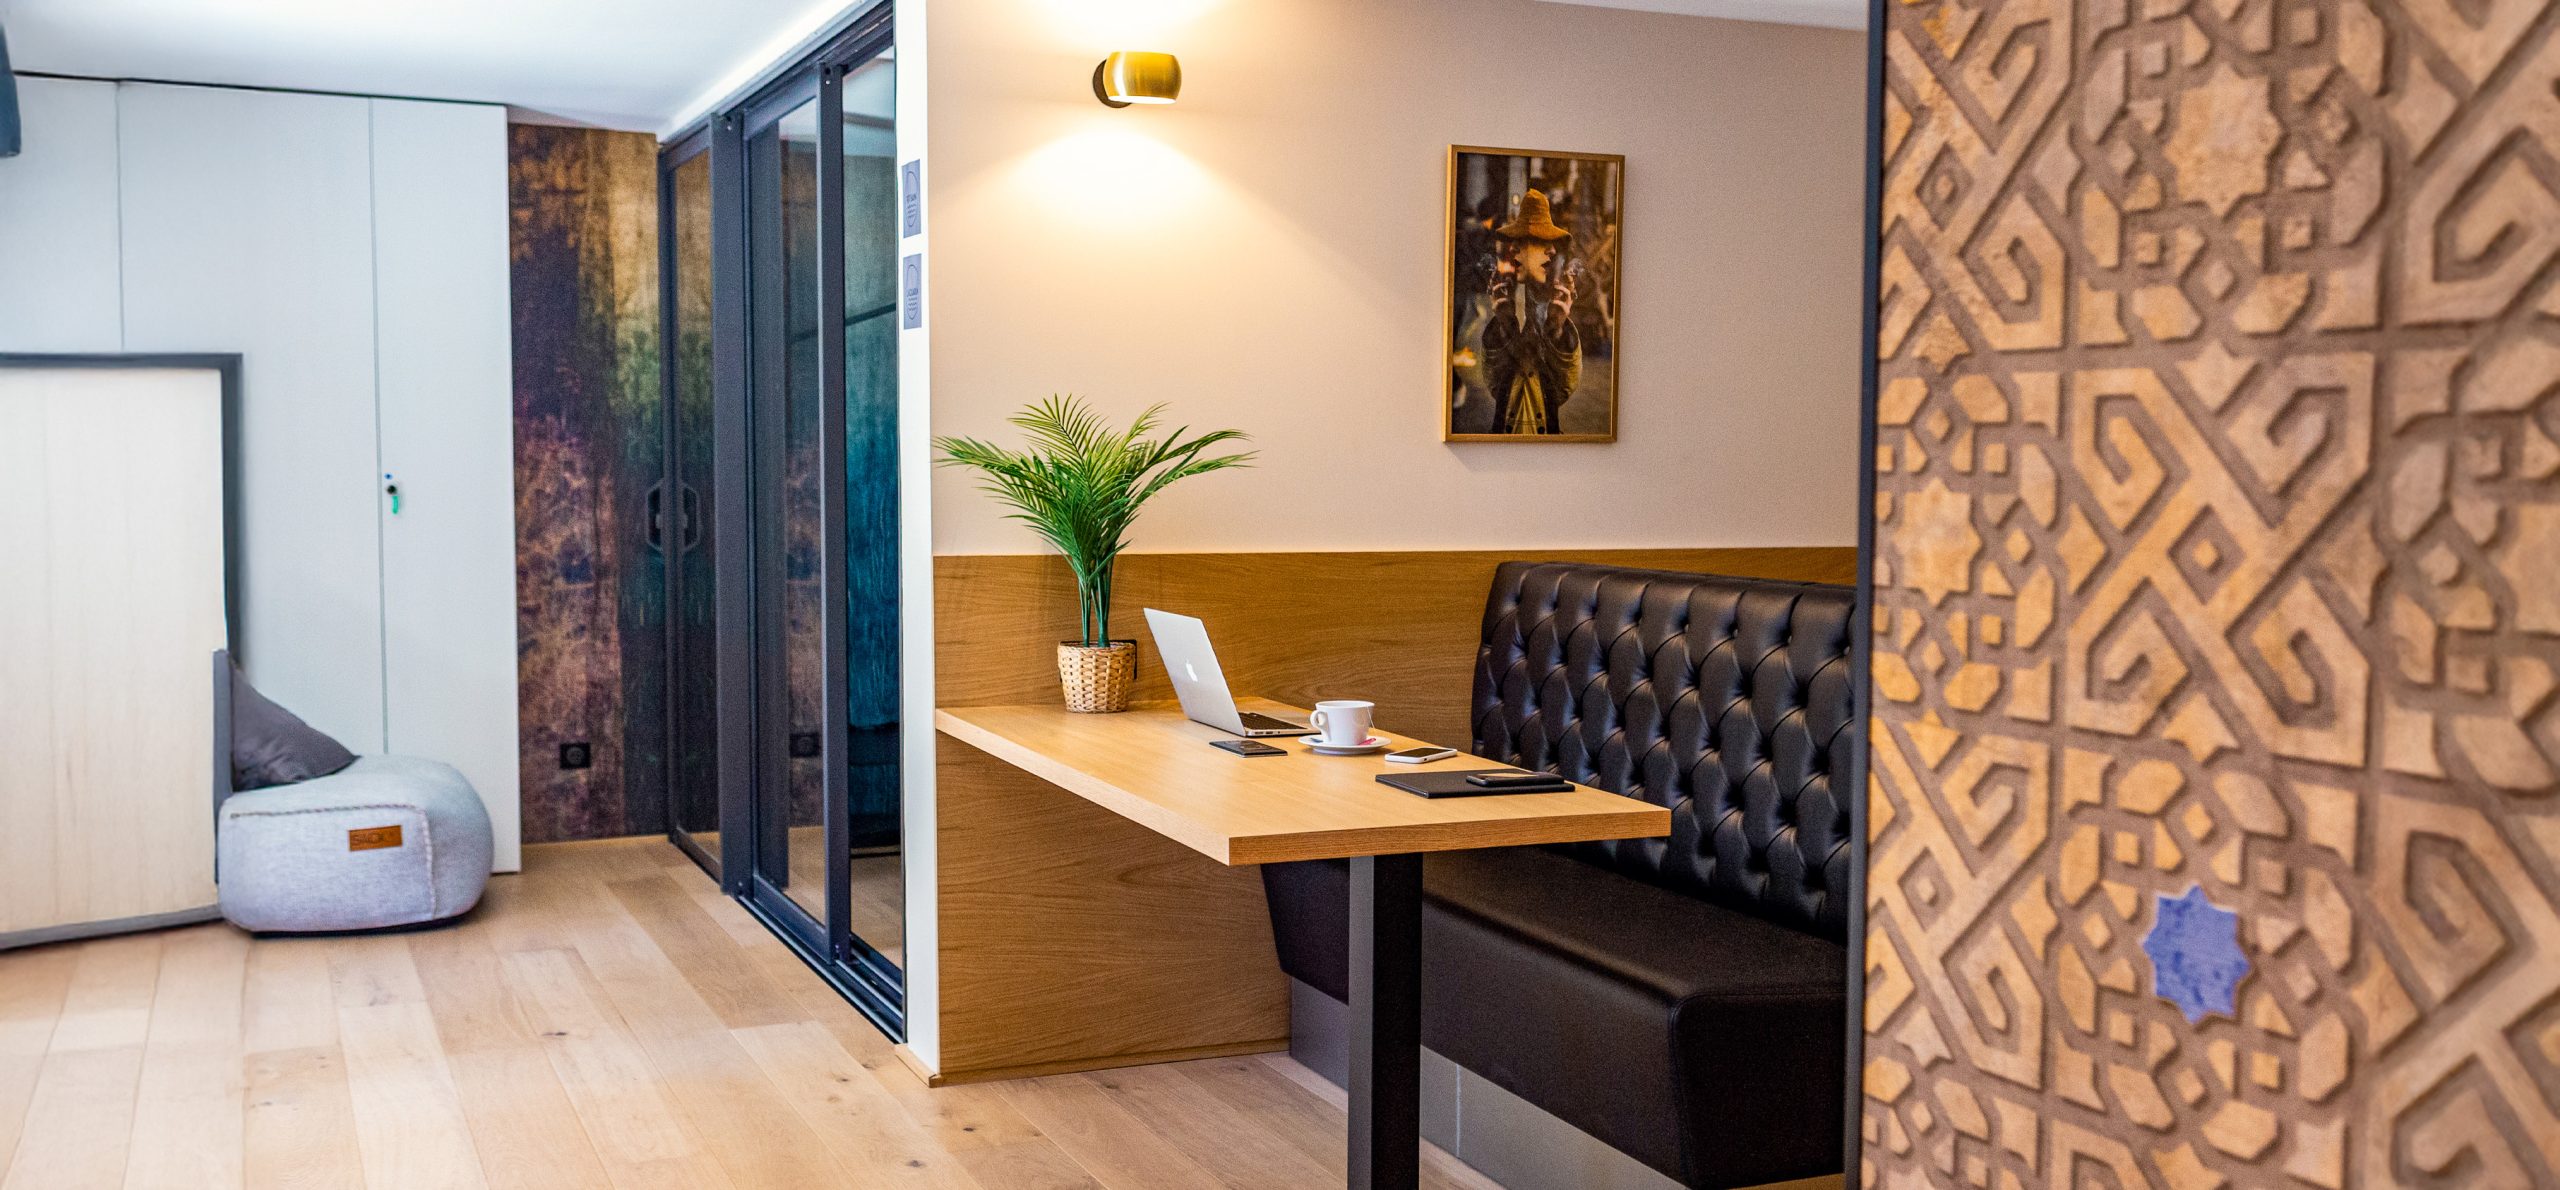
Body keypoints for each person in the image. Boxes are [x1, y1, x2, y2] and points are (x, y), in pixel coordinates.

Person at [1479, 189, 1582, 435]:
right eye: (1540, 241)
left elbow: (1563, 388)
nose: (1551, 251)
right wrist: (1503, 325)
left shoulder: (1550, 300)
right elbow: (1496, 384)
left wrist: (1558, 329)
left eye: (1550, 243)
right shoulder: (1510, 296)